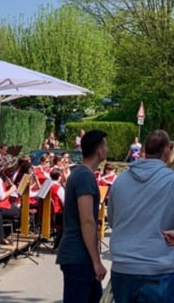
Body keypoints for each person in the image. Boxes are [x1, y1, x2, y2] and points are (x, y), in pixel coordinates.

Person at [108, 130, 174, 303]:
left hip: (123, 265)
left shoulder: (121, 180)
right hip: (157, 266)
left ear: (144, 149)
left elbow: (112, 219)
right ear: (166, 151)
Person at [56, 130, 108, 303]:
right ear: (99, 150)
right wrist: (96, 261)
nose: (106, 149)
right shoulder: (84, 176)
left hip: (78, 254)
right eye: (105, 145)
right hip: (79, 255)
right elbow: (87, 221)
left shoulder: (80, 174)